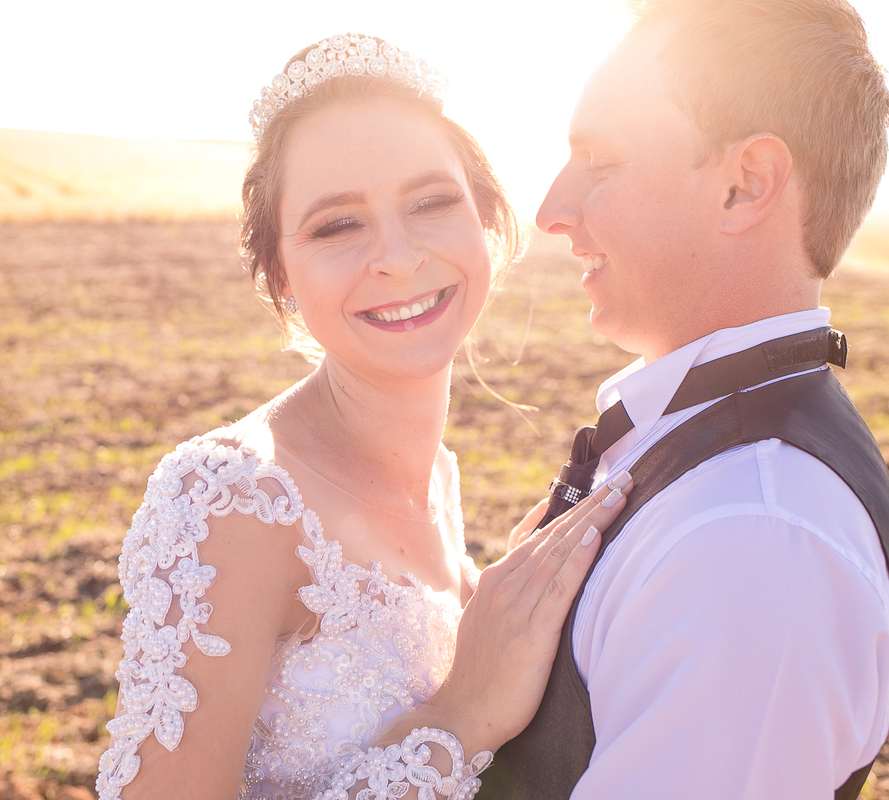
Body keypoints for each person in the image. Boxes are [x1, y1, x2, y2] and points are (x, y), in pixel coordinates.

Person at [93, 34, 632, 800]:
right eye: (337, 225)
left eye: (431, 203)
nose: (398, 256)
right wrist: (462, 712)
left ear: (486, 220)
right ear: (280, 277)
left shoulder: (438, 477)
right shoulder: (229, 499)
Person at [481, 2, 889, 799]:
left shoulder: (754, 537)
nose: (550, 211)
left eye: (600, 160)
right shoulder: (716, 459)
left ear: (745, 187)